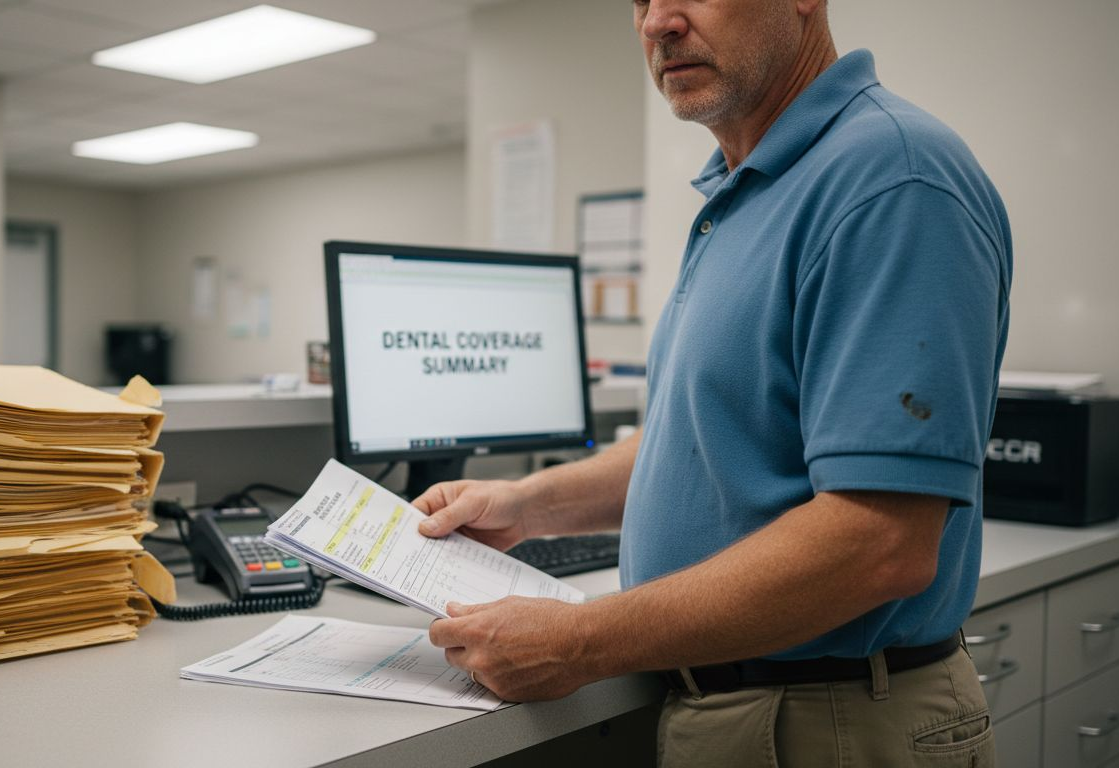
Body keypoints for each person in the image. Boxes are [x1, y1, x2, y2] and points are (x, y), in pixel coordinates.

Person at [417, 0, 1012, 765]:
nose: (657, 22)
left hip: (831, 720)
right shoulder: (745, 190)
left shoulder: (891, 180)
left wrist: (582, 641)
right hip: (740, 705)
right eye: (639, 0)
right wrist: (530, 504)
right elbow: (707, 432)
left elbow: (881, 542)